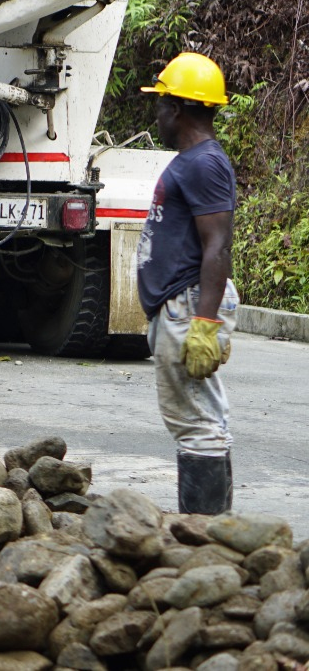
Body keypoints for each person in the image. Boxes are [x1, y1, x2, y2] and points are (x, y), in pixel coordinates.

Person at [136, 51, 239, 514]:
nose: (157, 113)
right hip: (181, 302)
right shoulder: (195, 161)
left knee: (196, 424)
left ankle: (204, 539)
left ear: (177, 108)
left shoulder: (202, 164)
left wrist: (204, 323)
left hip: (188, 303)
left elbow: (217, 245)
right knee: (203, 419)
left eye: (160, 104)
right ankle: (215, 537)